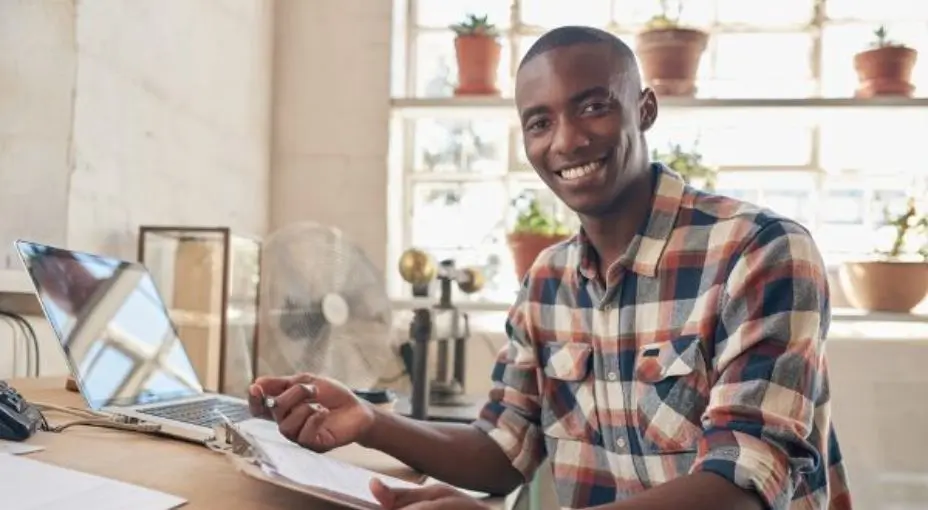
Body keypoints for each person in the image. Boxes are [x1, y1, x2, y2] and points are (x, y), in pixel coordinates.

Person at [249, 25, 853, 510]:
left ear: (644, 110)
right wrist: (369, 420)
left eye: (593, 107)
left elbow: (741, 484)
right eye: (539, 122)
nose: (565, 141)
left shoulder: (761, 251)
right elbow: (502, 449)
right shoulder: (547, 281)